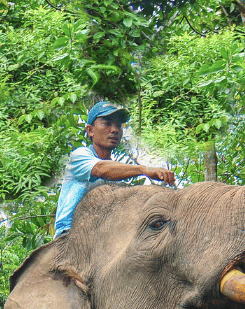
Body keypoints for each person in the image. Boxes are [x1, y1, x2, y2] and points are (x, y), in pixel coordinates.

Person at [53, 101, 176, 238]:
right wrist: (143, 169)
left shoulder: (117, 171)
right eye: (106, 123)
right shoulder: (80, 156)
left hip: (100, 237)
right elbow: (100, 169)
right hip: (69, 235)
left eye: (118, 125)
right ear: (90, 130)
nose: (114, 130)